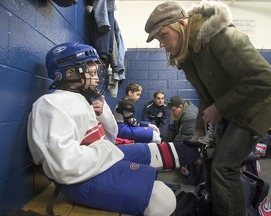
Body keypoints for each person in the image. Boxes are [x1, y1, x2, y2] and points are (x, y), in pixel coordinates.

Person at [27, 42, 200, 216]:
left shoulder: (82, 99)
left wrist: (103, 114)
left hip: (96, 162)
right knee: (162, 199)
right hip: (79, 179)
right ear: (69, 73)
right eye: (92, 73)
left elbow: (111, 136)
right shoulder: (51, 104)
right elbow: (65, 166)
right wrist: (110, 151)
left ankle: (199, 157)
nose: (96, 78)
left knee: (158, 151)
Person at [145, 1, 271, 216]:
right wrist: (200, 129)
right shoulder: (189, 56)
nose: (161, 44)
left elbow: (267, 80)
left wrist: (219, 107)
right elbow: (205, 94)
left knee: (224, 168)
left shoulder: (222, 38)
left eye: (163, 35)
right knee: (210, 158)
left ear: (181, 23)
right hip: (234, 104)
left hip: (259, 103)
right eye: (157, 39)